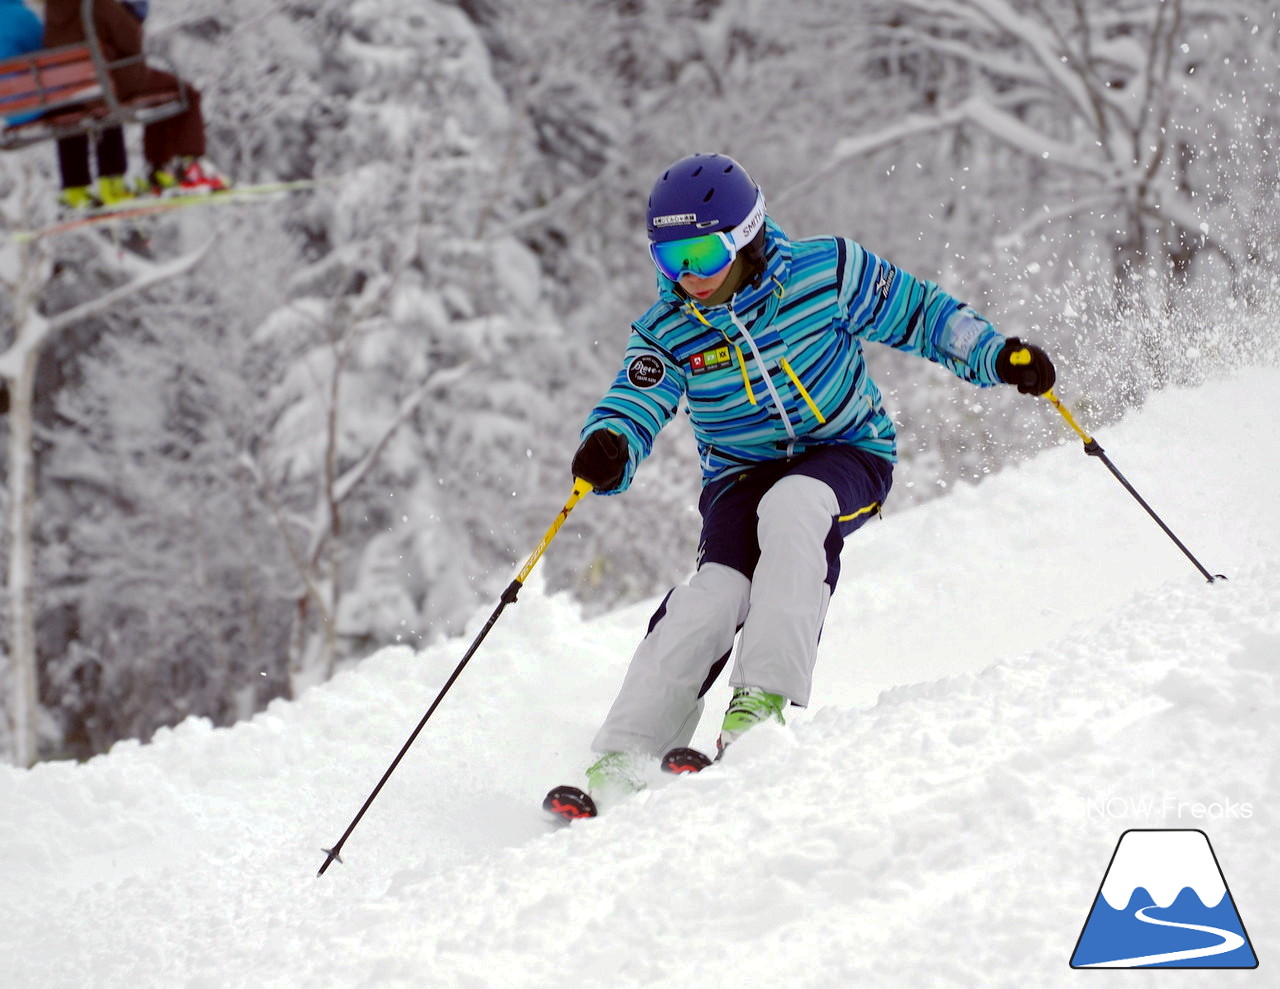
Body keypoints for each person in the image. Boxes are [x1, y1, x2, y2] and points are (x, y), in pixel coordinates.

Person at [548, 152, 1056, 819]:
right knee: (716, 592)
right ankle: (623, 755)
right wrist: (611, 441)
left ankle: (758, 703)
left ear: (745, 235)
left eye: (702, 254)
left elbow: (922, 314)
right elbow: (635, 397)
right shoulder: (668, 330)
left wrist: (994, 353)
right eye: (672, 260)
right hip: (738, 474)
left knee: (794, 506)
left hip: (846, 451)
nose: (689, 277)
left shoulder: (826, 273)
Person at [42, 0, 228, 210]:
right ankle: (183, 168)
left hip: (74, 91)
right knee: (185, 92)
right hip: (113, 82)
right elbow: (130, 41)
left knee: (153, 95)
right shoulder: (96, 4)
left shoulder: (53, 8)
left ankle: (159, 170)